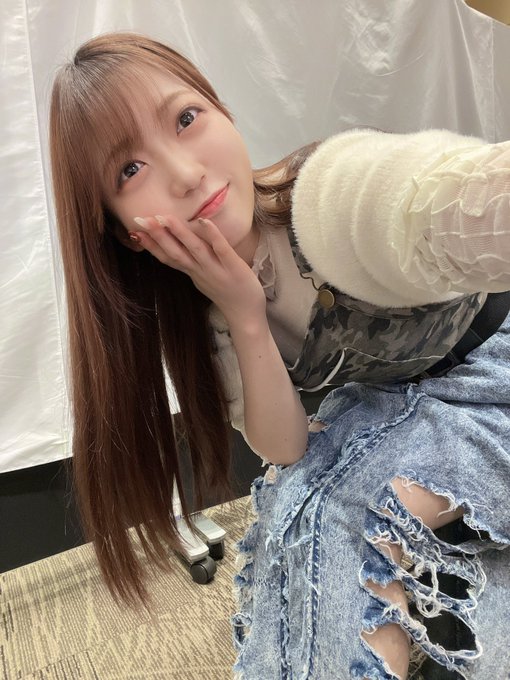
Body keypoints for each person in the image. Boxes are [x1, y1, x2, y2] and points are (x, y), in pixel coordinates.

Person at [48, 31, 510, 679]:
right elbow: (285, 445)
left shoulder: (325, 196)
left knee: (349, 520)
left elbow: (438, 199)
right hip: (399, 402)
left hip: (492, 375)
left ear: (224, 111)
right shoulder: (203, 311)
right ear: (126, 232)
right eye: (131, 170)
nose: (185, 174)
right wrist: (244, 313)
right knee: (294, 514)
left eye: (186, 119)